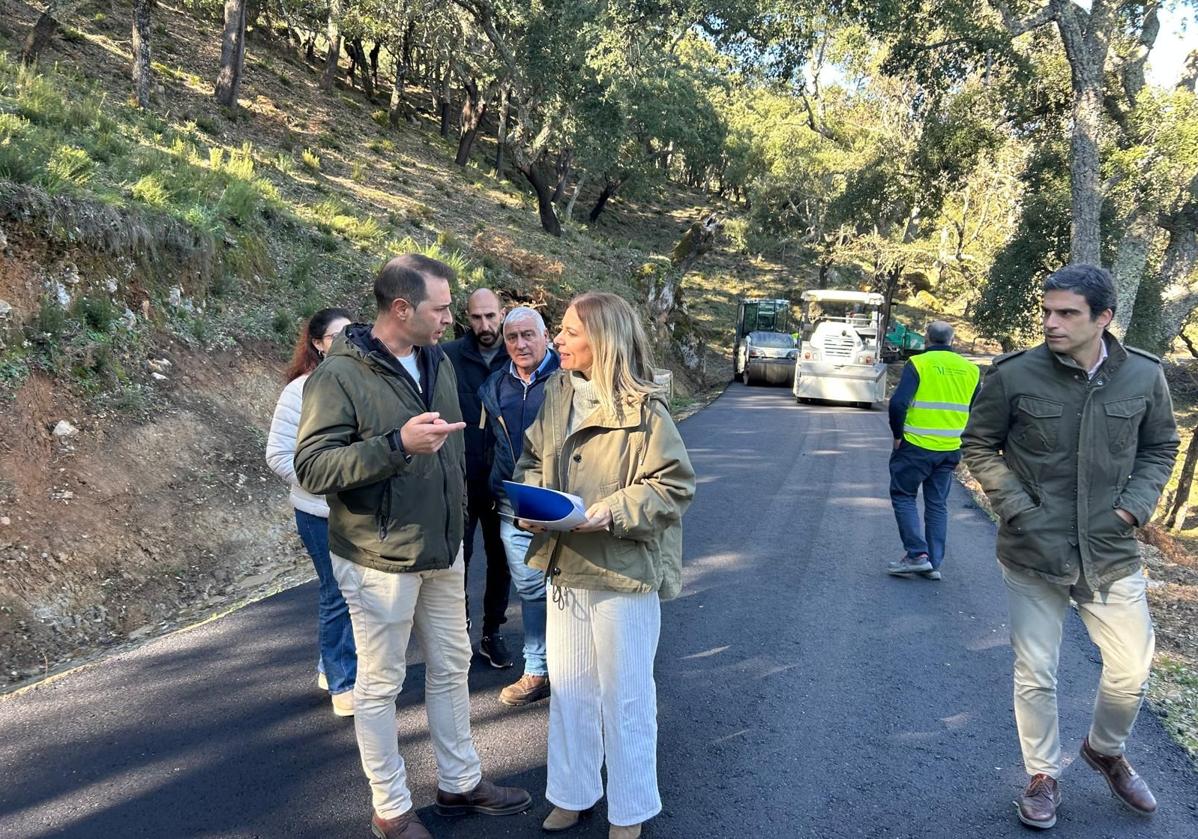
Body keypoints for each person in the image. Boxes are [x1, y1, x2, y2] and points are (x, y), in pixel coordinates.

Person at [294, 255, 530, 839]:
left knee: (451, 668)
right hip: (379, 559)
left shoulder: (435, 360)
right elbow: (312, 467)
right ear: (402, 309)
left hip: (442, 551)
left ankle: (460, 782)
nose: (452, 317)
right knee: (379, 685)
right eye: (441, 307)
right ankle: (391, 810)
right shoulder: (339, 376)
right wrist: (395, 444)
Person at [961, 264, 1179, 830]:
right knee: (1036, 670)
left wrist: (1133, 507)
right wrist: (1019, 509)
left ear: (1103, 319)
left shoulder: (1144, 376)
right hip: (1032, 550)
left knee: (1131, 666)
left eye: (1067, 313)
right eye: (1047, 311)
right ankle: (1042, 775)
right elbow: (979, 445)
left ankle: (1105, 750)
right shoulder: (1013, 374)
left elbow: (1161, 446)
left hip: (1110, 551)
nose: (1051, 323)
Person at [514, 292, 695, 839]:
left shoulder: (646, 410)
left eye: (568, 331)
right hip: (565, 567)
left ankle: (631, 810)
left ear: (602, 340)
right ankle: (572, 793)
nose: (558, 339)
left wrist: (611, 512)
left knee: (628, 697)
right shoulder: (555, 395)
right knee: (569, 691)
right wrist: (530, 504)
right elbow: (529, 461)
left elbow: (674, 486)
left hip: (623, 574)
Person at [265, 307, 357, 716]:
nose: (345, 342)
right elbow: (278, 455)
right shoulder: (299, 391)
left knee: (358, 591)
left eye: (351, 334)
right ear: (318, 344)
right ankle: (343, 682)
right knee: (337, 592)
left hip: (360, 510)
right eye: (336, 336)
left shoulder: (363, 383)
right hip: (319, 511)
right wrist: (325, 480)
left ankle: (330, 663)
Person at [477, 307, 560, 707]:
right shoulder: (494, 386)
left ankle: (576, 667)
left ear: (547, 336)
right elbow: (489, 443)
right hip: (513, 502)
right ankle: (537, 670)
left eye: (529, 335)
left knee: (571, 584)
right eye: (513, 338)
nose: (521, 344)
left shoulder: (571, 379)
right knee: (529, 587)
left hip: (562, 500)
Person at [443, 288, 513, 668]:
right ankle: (461, 628)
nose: (484, 325)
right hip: (463, 478)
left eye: (490, 316)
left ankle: (493, 631)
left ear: (502, 313)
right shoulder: (448, 357)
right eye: (476, 317)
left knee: (502, 558)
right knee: (461, 558)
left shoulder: (516, 354)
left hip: (503, 478)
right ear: (464, 317)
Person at [886, 321, 980, 581]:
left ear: (927, 338)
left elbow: (898, 404)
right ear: (952, 339)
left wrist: (897, 435)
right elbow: (976, 410)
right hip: (949, 449)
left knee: (904, 495)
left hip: (915, 446)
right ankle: (934, 563)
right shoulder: (971, 370)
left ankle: (917, 555)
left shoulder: (919, 364)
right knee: (937, 505)